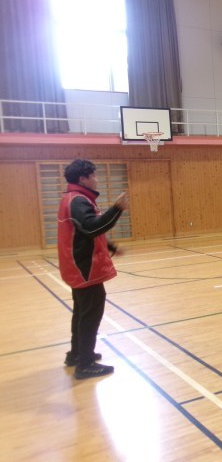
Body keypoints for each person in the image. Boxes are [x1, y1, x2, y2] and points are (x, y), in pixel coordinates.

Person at [57, 159, 129, 380]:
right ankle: (85, 364)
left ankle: (76, 354)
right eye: (93, 176)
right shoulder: (78, 200)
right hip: (84, 268)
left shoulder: (73, 198)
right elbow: (91, 228)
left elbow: (84, 232)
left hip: (77, 266)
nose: (96, 180)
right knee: (90, 315)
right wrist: (117, 209)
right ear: (83, 179)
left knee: (81, 312)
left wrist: (110, 247)